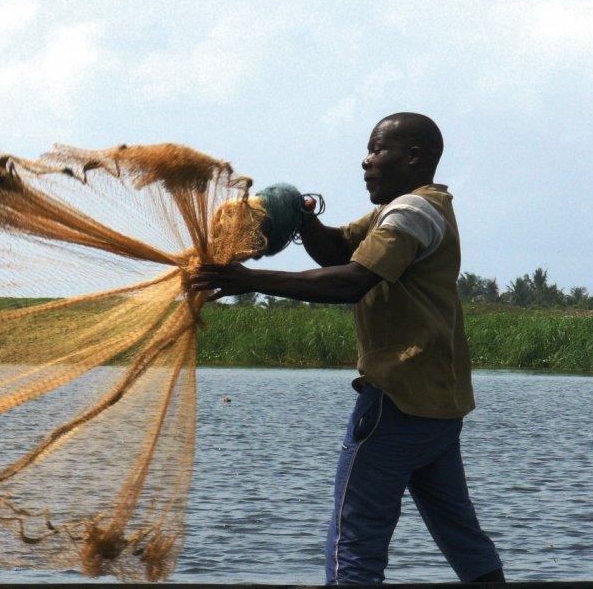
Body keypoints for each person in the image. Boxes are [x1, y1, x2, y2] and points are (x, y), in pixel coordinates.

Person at [190, 113, 505, 584]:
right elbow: (339, 251)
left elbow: (352, 281)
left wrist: (249, 279)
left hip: (396, 403)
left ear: (413, 157)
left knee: (353, 543)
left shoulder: (410, 214)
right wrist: (300, 216)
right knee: (462, 535)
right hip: (439, 406)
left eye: (378, 150)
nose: (366, 161)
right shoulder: (409, 209)